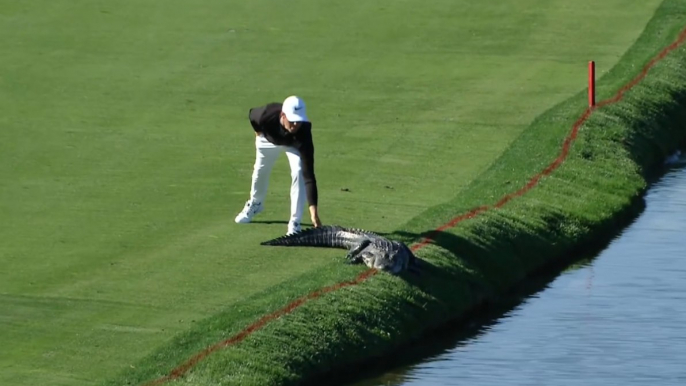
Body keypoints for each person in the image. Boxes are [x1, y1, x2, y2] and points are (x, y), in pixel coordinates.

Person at [234, 95, 322, 235]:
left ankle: (295, 222)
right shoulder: (264, 115)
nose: (295, 125)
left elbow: (309, 176)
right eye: (292, 120)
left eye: (298, 121)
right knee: (260, 170)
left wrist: (314, 214)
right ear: (283, 115)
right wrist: (259, 136)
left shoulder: (303, 132)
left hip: (292, 144)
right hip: (268, 138)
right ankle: (255, 204)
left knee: (299, 171)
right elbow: (252, 117)